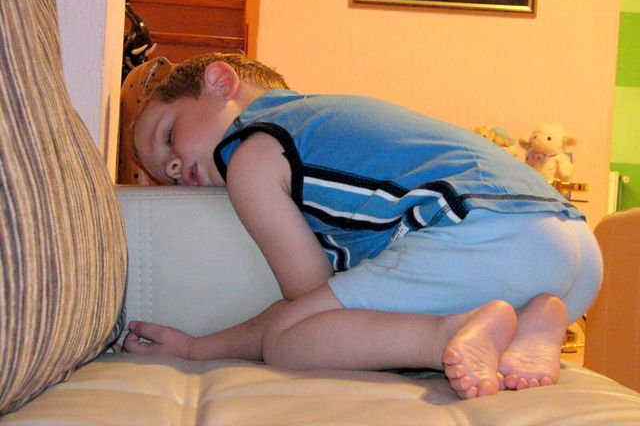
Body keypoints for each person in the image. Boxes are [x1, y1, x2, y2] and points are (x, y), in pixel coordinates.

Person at [124, 53, 603, 399]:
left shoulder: (252, 154)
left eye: (169, 135)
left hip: (484, 239)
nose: (172, 167)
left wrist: (198, 348)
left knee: (290, 341)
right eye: (162, 172)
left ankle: (450, 335)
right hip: (574, 251)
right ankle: (530, 323)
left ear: (220, 81)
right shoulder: (323, 118)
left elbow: (307, 298)